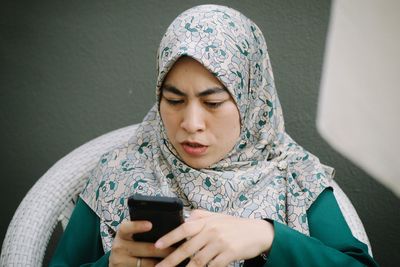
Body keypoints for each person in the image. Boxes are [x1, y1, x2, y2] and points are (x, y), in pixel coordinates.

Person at [50, 4, 378, 267]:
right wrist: (111, 264)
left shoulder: (293, 175)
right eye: (174, 100)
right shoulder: (118, 173)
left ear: (250, 101)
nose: (191, 123)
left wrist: (268, 238)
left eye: (213, 102)